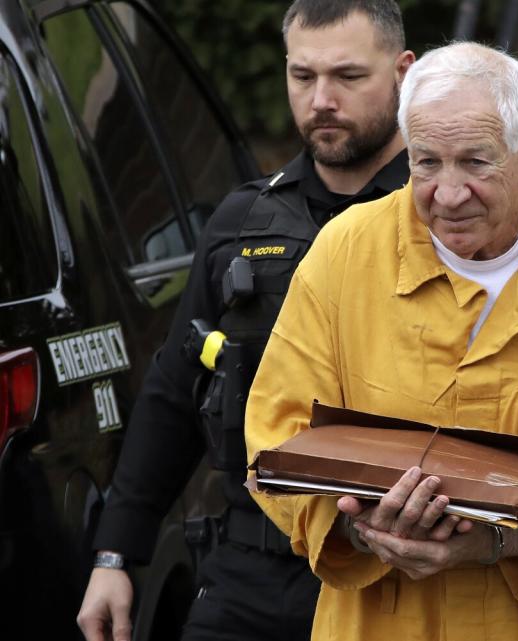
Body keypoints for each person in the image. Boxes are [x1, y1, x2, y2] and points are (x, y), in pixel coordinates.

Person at [244, 41, 518, 641]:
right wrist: (363, 529)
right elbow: (276, 437)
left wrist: (498, 541)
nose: (448, 195)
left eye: (475, 162)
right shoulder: (346, 251)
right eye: (426, 163)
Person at [75, 2, 414, 640]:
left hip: (392, 577)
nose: (321, 100)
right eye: (303, 76)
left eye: (347, 76)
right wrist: (116, 554)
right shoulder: (243, 222)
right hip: (250, 568)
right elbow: (175, 391)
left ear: (403, 72)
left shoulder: (444, 216)